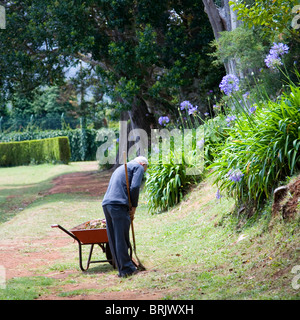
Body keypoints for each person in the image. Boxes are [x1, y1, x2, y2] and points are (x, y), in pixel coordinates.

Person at [102, 156, 148, 278]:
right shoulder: (138, 167)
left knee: (114, 238)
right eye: (145, 170)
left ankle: (121, 267)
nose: (144, 172)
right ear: (143, 164)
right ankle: (127, 269)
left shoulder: (122, 168)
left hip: (107, 204)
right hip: (118, 204)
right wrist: (134, 206)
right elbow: (134, 187)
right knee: (121, 237)